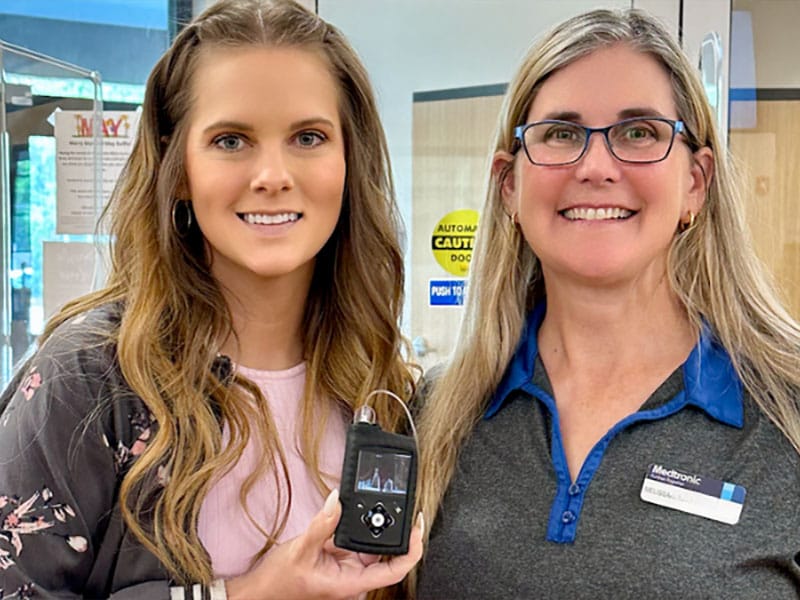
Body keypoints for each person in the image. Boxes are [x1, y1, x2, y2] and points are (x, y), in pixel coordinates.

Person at [0, 0, 424, 598]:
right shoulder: (87, 379)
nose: (272, 175)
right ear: (178, 169)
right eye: (231, 140)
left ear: (348, 160)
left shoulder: (382, 385)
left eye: (308, 136)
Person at [413, 8, 800, 599]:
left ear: (695, 182)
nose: (596, 167)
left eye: (639, 132)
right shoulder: (435, 415)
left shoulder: (787, 415)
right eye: (562, 133)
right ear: (509, 186)